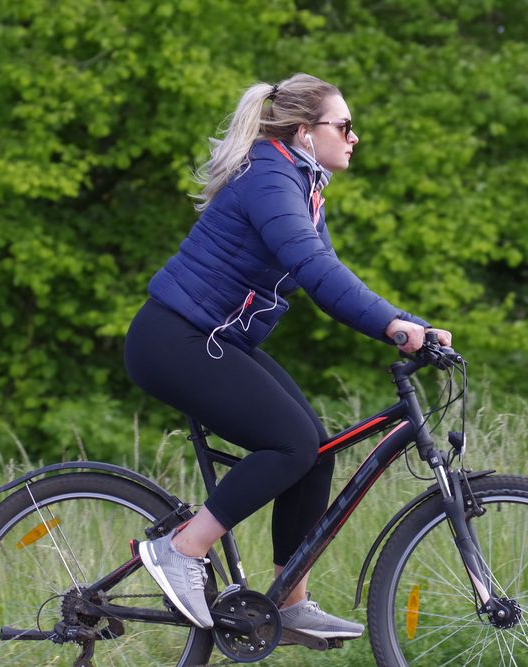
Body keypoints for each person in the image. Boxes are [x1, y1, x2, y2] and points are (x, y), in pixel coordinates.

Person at [123, 72, 451, 638]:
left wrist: (412, 325)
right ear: (304, 132)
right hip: (174, 339)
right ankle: (182, 549)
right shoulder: (270, 178)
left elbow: (334, 276)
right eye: (344, 126)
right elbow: (316, 271)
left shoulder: (299, 185)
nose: (354, 138)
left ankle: (290, 602)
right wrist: (395, 325)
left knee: (315, 450)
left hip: (213, 339)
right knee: (291, 443)